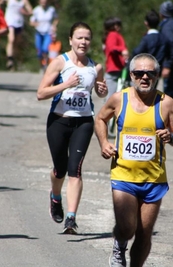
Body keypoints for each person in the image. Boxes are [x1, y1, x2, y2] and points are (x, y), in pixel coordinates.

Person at [94, 53, 173, 267]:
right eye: (139, 73)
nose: (145, 77)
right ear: (132, 75)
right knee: (127, 228)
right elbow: (100, 118)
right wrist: (104, 142)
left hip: (154, 179)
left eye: (150, 73)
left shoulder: (166, 103)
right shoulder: (119, 99)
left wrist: (171, 137)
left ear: (157, 76)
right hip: (123, 176)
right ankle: (119, 244)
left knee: (144, 234)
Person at [37, 22, 108, 234]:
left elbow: (100, 92)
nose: (83, 42)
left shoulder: (96, 67)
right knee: (59, 169)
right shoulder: (60, 62)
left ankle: (71, 218)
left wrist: (101, 90)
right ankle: (55, 197)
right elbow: (41, 93)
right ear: (70, 40)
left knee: (75, 170)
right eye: (79, 38)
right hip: (58, 121)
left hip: (84, 122)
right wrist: (65, 84)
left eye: (87, 38)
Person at [129, 9, 165, 89]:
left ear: (146, 23)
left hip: (144, 69)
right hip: (156, 69)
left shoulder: (146, 38)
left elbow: (137, 52)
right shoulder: (163, 38)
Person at [0, 0, 33, 70]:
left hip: (19, 23)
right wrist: (0, 6)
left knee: (17, 43)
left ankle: (14, 60)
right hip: (10, 22)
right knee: (11, 40)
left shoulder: (24, 1)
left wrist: (25, 12)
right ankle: (9, 60)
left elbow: (31, 11)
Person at [103, 17, 129, 100]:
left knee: (117, 97)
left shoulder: (114, 35)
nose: (119, 27)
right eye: (117, 25)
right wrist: (122, 50)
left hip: (118, 69)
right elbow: (111, 48)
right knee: (112, 98)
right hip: (114, 69)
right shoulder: (113, 34)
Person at [29, 0, 58, 72]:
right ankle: (41, 65)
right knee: (39, 51)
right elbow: (31, 22)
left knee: (45, 49)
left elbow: (56, 18)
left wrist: (54, 26)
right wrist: (35, 24)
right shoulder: (36, 10)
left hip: (48, 32)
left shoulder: (51, 9)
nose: (43, 3)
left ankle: (45, 64)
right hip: (39, 32)